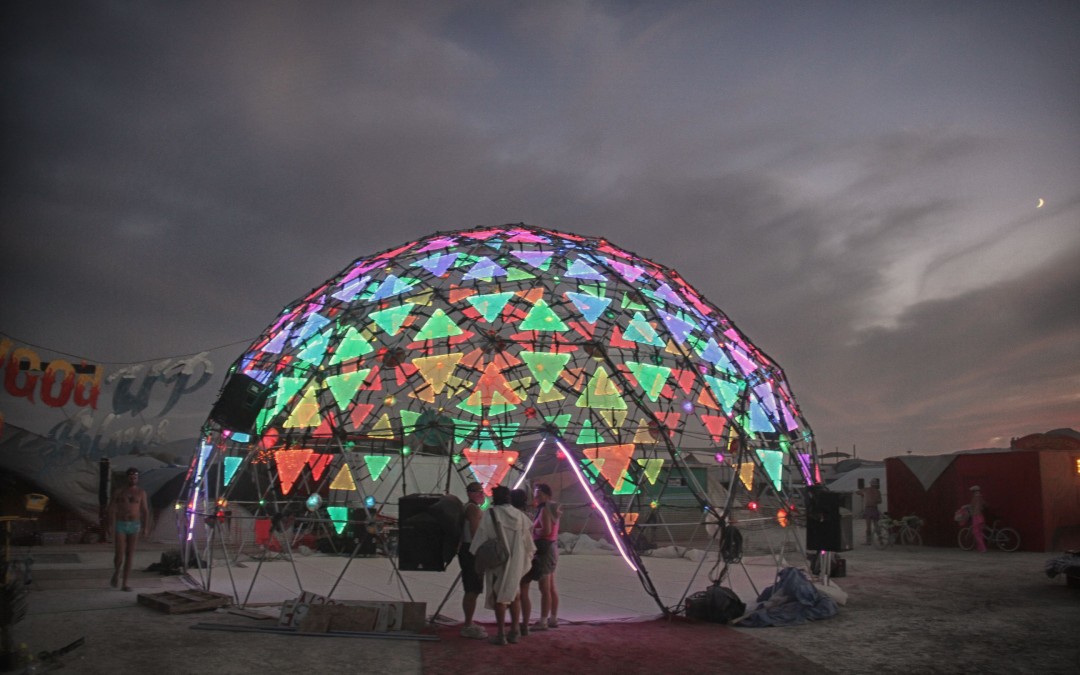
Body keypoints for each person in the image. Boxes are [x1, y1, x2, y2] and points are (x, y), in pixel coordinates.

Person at [470, 485, 535, 646]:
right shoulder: (519, 516)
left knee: (500, 596)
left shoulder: (490, 514)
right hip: (517, 560)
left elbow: (479, 541)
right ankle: (515, 630)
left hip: (498, 561)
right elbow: (529, 543)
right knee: (515, 594)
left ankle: (501, 634)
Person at [107, 467, 150, 591]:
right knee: (119, 554)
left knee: (130, 554)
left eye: (135, 477)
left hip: (134, 524)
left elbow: (145, 511)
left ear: (137, 478)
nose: (133, 479)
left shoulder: (141, 493)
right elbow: (111, 508)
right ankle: (116, 572)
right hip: (121, 524)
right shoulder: (119, 492)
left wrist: (145, 527)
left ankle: (125, 583)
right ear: (127, 478)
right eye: (131, 477)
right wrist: (110, 525)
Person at [527, 482, 562, 631]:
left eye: (539, 495)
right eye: (535, 495)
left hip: (545, 549)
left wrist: (532, 531)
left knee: (545, 587)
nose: (536, 498)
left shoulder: (545, 510)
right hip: (551, 547)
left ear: (547, 496)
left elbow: (546, 530)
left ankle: (543, 620)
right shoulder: (551, 508)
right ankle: (552, 618)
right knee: (551, 586)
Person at [458, 481, 488, 639]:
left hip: (467, 550)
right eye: (479, 492)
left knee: (472, 588)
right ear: (471, 493)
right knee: (472, 588)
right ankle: (468, 624)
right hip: (471, 551)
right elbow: (475, 533)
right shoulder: (473, 509)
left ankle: (468, 622)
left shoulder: (467, 507)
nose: (482, 495)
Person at [857, 478, 883, 545]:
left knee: (871, 525)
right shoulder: (876, 491)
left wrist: (863, 494)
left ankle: (870, 541)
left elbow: (858, 492)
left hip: (870, 508)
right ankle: (879, 540)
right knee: (875, 525)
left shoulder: (867, 490)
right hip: (873, 508)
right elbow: (880, 501)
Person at [968, 485, 987, 553]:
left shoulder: (974, 498)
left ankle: (983, 547)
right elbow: (984, 504)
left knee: (976, 532)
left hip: (975, 516)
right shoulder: (980, 497)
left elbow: (971, 506)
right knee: (980, 532)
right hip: (981, 516)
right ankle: (979, 547)